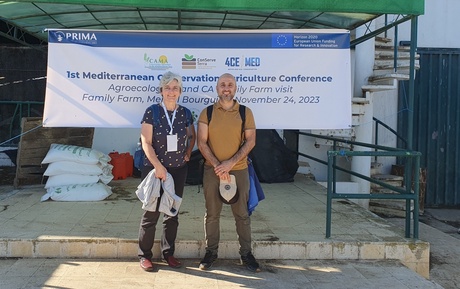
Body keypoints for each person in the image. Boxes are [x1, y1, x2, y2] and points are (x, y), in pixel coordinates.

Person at [197, 73, 260, 272]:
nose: (226, 88)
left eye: (230, 85)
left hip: (239, 170)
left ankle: (246, 254)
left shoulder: (245, 112)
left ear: (235, 88)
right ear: (217, 88)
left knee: (242, 214)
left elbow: (251, 141)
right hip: (212, 171)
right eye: (223, 84)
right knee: (212, 214)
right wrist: (218, 166)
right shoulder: (207, 112)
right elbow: (201, 142)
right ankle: (211, 253)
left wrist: (230, 164)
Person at [138, 71, 196, 272]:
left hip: (178, 169)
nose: (171, 92)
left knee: (172, 213)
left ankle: (168, 253)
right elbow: (145, 142)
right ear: (161, 90)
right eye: (167, 88)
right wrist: (158, 166)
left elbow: (191, 136)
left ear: (180, 91)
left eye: (175, 88)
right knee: (151, 213)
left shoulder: (186, 113)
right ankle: (144, 255)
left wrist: (188, 151)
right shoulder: (152, 111)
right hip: (154, 169)